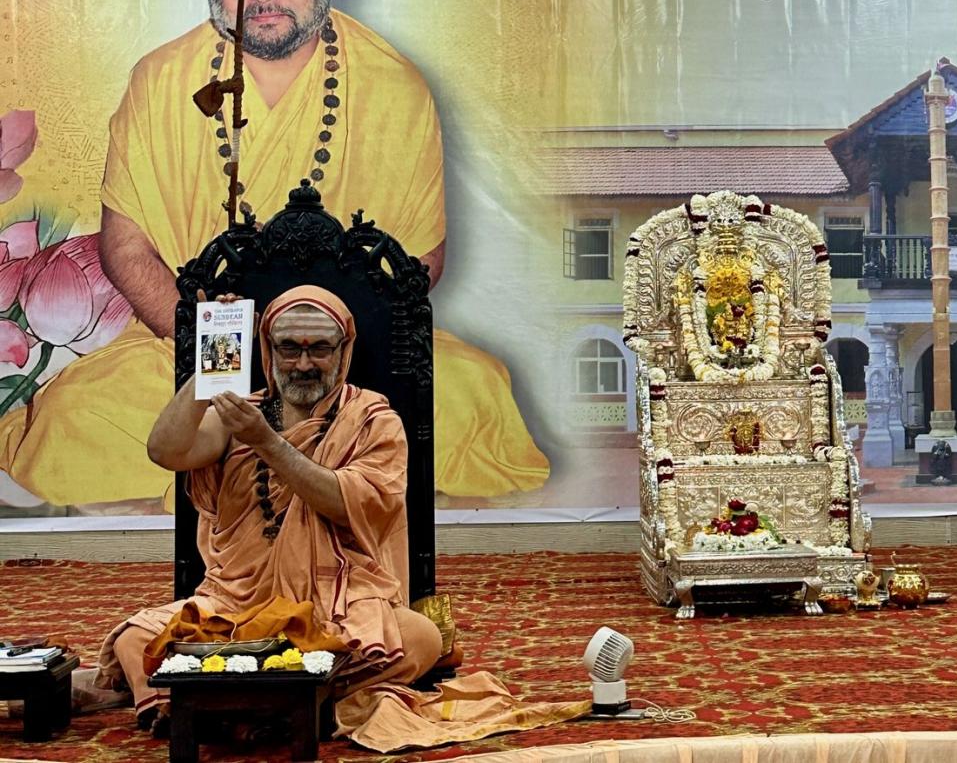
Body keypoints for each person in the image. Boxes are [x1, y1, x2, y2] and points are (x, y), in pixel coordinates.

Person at [0, 0, 550, 508]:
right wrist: (225, 360)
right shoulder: (160, 80)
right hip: (205, 349)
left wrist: (322, 356)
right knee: (76, 416)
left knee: (472, 393)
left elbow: (420, 261)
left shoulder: (396, 87)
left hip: (346, 353)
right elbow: (126, 249)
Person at [91, 286, 586, 750]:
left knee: (420, 638)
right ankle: (283, 701)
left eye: (319, 349)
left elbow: (348, 501)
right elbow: (166, 450)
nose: (304, 364)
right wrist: (215, 358)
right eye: (289, 348)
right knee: (137, 636)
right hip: (236, 603)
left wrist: (267, 442)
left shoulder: (372, 420)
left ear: (343, 351)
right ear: (268, 351)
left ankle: (217, 702)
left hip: (336, 603)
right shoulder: (239, 415)